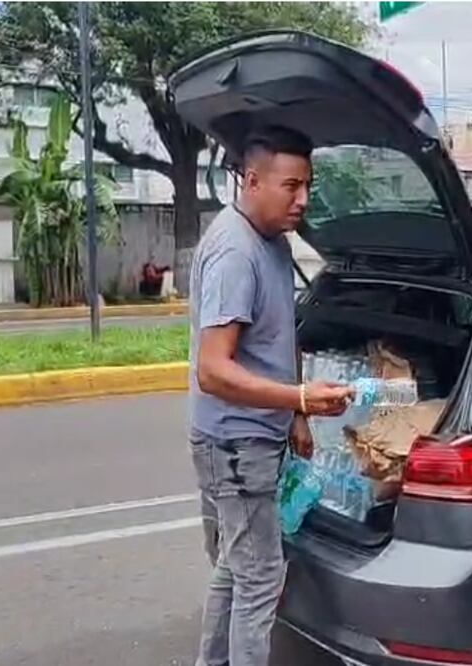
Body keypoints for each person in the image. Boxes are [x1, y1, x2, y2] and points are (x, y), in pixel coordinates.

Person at [188, 127, 354, 666]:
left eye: (307, 185)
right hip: (234, 447)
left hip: (257, 438)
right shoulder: (235, 253)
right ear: (252, 180)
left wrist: (297, 415)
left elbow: (283, 334)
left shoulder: (273, 241)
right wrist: (299, 397)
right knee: (259, 582)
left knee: (235, 571)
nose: (302, 199)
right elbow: (213, 370)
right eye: (291, 186)